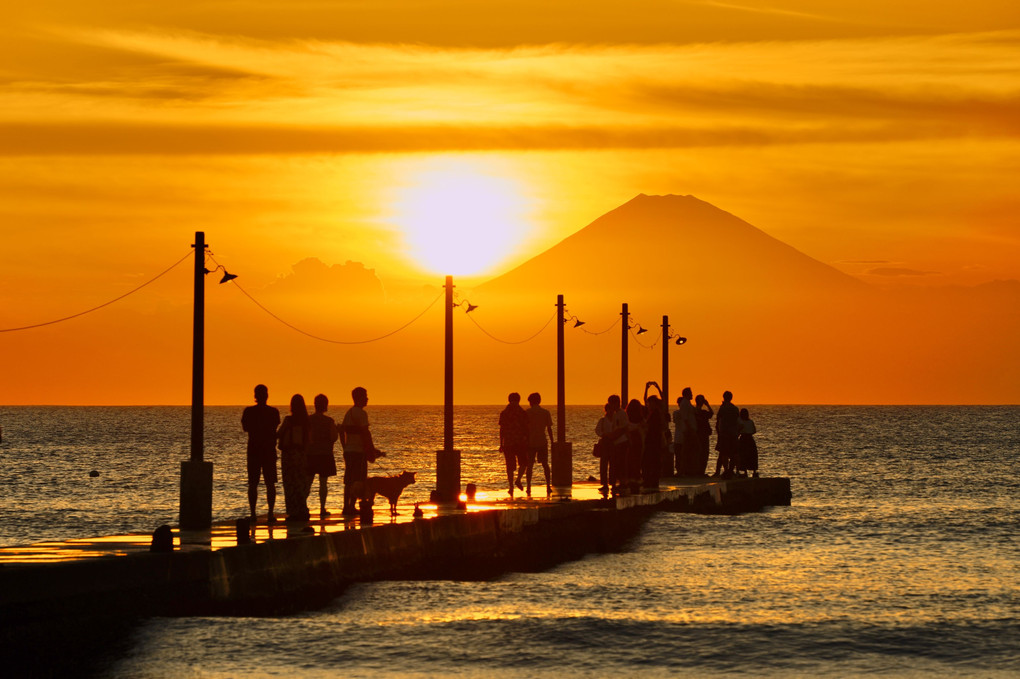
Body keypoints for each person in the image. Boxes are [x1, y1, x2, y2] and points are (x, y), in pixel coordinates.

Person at [339, 386, 384, 515]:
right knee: (358, 480)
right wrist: (371, 449)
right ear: (359, 398)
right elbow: (366, 433)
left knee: (348, 480)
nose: (367, 399)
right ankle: (352, 507)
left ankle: (346, 507)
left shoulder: (349, 412)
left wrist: (345, 446)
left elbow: (342, 431)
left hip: (349, 451)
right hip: (358, 452)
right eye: (365, 396)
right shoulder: (361, 413)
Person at [241, 384, 280, 524]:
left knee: (253, 483)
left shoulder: (249, 412)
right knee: (270, 483)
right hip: (268, 450)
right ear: (267, 395)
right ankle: (270, 514)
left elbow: (245, 428)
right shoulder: (273, 412)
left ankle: (253, 514)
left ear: (255, 396)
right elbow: (275, 426)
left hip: (254, 450)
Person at [277, 394, 310, 521]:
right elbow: (308, 440)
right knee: (301, 483)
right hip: (301, 455)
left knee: (290, 483)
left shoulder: (288, 420)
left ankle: (293, 512)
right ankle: (303, 509)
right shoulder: (306, 421)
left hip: (289, 455)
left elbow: (279, 434)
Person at [307, 393, 340, 517]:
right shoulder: (329, 421)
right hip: (325, 454)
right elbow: (333, 437)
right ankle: (322, 508)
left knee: (308, 482)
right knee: (323, 483)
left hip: (311, 454)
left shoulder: (308, 420)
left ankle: (303, 506)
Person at [498, 392, 529, 498]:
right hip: (520, 442)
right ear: (519, 400)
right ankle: (518, 480)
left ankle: (511, 486)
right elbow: (526, 429)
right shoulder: (522, 413)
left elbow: (502, 429)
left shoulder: (504, 413)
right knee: (524, 462)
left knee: (510, 466)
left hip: (509, 442)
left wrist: (501, 443)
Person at [524, 392, 553, 496]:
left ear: (530, 402)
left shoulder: (527, 413)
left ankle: (528, 487)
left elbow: (524, 429)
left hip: (530, 442)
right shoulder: (545, 412)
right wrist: (552, 441)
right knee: (545, 464)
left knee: (530, 465)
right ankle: (548, 486)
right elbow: (549, 428)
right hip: (542, 441)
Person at [603, 394, 630, 495]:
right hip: (616, 441)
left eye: (611, 404)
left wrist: (613, 436)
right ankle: (620, 482)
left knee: (621, 463)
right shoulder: (616, 414)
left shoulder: (622, 414)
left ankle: (623, 482)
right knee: (617, 463)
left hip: (621, 441)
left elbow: (623, 428)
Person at [643, 382, 667, 490]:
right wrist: (646, 389)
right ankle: (651, 479)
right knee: (650, 460)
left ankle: (654, 480)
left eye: (650, 403)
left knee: (655, 460)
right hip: (650, 440)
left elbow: (663, 398)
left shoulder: (657, 411)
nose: (649, 404)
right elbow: (644, 399)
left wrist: (658, 388)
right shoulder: (650, 412)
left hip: (656, 440)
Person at [714, 390, 740, 477]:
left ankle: (726, 470)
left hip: (724, 433)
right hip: (733, 433)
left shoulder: (723, 408)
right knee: (734, 453)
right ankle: (732, 470)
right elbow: (737, 421)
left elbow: (718, 421)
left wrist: (719, 432)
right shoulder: (735, 408)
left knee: (724, 453)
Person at [672, 388, 697, 477]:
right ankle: (682, 471)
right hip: (686, 432)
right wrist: (689, 429)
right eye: (691, 393)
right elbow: (685, 418)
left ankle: (686, 470)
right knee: (683, 452)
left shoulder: (688, 403)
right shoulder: (685, 404)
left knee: (687, 452)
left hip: (687, 431)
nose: (692, 394)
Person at [625, 398, 646, 493]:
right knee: (638, 460)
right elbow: (644, 428)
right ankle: (637, 477)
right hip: (638, 440)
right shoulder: (640, 418)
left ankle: (630, 478)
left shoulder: (627, 417)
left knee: (629, 460)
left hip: (629, 441)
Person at [693, 394, 714, 476]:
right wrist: (707, 404)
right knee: (702, 453)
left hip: (703, 434)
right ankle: (699, 471)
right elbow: (711, 413)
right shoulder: (697, 412)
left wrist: (707, 405)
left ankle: (701, 471)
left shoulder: (700, 412)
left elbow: (711, 414)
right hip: (700, 434)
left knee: (703, 453)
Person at [738, 408, 759, 478]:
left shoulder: (740, 421)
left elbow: (738, 429)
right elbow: (754, 431)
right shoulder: (750, 421)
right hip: (750, 439)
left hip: (743, 439)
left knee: (743, 455)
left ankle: (744, 472)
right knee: (752, 455)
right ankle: (754, 472)